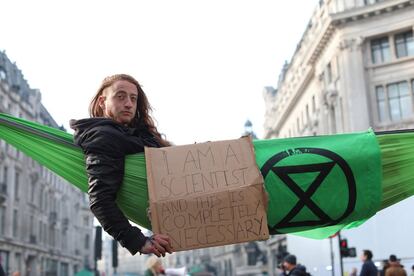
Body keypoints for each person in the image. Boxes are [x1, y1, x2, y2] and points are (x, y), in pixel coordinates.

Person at [70, 74, 173, 257]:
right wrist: (138, 241)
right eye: (120, 96)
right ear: (102, 102)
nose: (128, 104)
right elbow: (100, 199)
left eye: (133, 98)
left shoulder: (131, 133)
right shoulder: (104, 137)